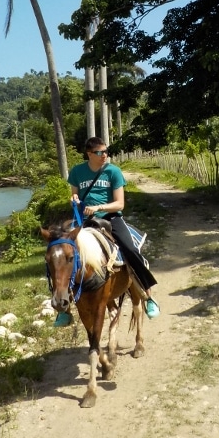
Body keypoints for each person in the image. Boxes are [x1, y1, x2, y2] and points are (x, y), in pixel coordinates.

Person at [68, 136, 160, 318]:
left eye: (106, 151)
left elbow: (120, 204)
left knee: (131, 249)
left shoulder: (113, 172)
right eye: (99, 152)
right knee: (62, 252)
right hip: (85, 220)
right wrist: (74, 200)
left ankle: (148, 296)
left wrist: (98, 207)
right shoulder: (77, 172)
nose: (104, 155)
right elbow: (74, 196)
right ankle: (63, 306)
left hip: (111, 218)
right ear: (89, 154)